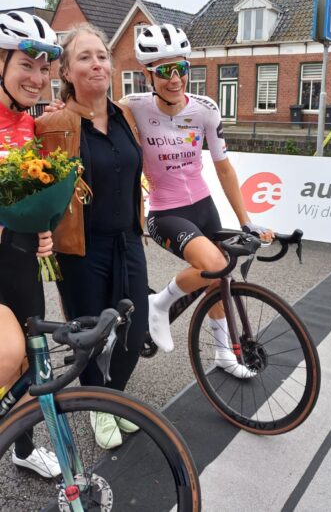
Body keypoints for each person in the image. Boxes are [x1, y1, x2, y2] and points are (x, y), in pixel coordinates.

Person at [121, 24, 274, 379]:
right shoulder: (133, 107)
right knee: (216, 263)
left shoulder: (205, 108)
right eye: (164, 72)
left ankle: (223, 353)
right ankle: (158, 304)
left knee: (216, 279)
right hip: (164, 211)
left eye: (181, 69)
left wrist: (247, 219)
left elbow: (223, 168)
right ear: (149, 75)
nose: (174, 79)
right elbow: (92, 112)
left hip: (204, 206)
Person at [36, 23, 148, 449]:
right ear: (66, 71)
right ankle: (97, 407)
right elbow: (37, 187)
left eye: (101, 56)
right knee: (88, 334)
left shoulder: (126, 117)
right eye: (84, 57)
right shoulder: (53, 125)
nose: (96, 63)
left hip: (128, 239)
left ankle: (112, 397)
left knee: (134, 330)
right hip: (80, 249)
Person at [0, 11, 61, 478]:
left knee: (30, 355)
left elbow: (23, 191)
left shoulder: (27, 122)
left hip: (18, 258)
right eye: (27, 64)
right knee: (6, 354)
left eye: (44, 68)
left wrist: (40, 225)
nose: (38, 78)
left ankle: (21, 446)